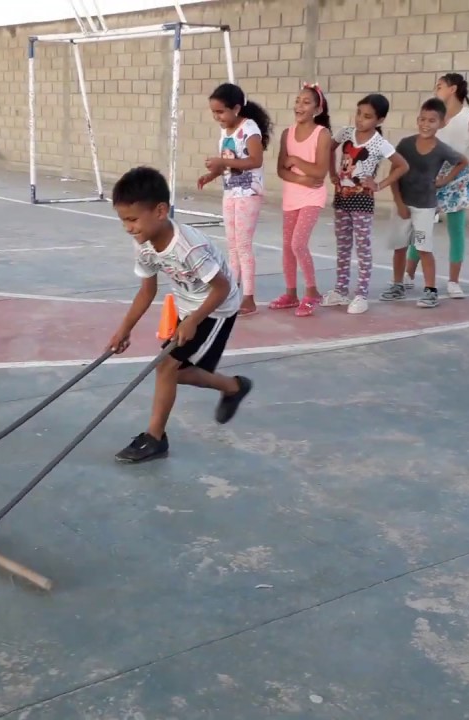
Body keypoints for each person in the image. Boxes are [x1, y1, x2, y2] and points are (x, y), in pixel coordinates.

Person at [108, 166, 253, 464]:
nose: (128, 228)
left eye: (133, 219)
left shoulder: (189, 247)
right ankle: (233, 386)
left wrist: (194, 319)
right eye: (123, 221)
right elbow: (147, 291)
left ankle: (155, 438)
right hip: (190, 305)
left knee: (165, 368)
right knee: (176, 372)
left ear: (160, 211)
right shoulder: (144, 245)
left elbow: (223, 288)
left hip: (217, 309)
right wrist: (124, 329)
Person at [322, 93, 408, 315]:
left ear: (379, 120)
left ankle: (361, 293)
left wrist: (379, 185)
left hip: (362, 201)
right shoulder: (346, 133)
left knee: (362, 248)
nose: (360, 119)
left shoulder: (380, 143)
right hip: (342, 198)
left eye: (367, 116)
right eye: (359, 113)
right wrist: (332, 173)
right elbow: (328, 149)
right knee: (342, 246)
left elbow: (402, 166)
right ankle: (340, 290)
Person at [380, 99, 468, 309]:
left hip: (425, 208)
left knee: (423, 247)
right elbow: (394, 175)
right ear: (417, 120)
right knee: (399, 247)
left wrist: (445, 180)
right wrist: (399, 203)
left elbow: (463, 161)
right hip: (403, 206)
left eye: (432, 120)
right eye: (422, 119)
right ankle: (398, 285)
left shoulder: (442, 149)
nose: (426, 124)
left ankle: (431, 290)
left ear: (442, 123)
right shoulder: (405, 145)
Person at [405, 72, 469, 299]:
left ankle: (453, 281)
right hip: (431, 176)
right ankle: (408, 275)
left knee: (456, 229)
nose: (436, 89)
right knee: (421, 226)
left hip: (458, 177)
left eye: (439, 86)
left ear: (452, 89)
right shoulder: (435, 116)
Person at [197, 82, 273, 316]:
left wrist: (223, 163)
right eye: (214, 112)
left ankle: (249, 298)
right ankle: (232, 293)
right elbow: (227, 161)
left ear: (236, 108)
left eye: (221, 112)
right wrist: (212, 174)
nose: (217, 117)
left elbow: (254, 161)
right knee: (232, 246)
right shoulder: (226, 132)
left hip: (248, 193)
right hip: (231, 191)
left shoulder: (249, 129)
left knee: (243, 245)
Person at [270, 82, 333, 317]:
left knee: (298, 244)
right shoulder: (287, 133)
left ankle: (312, 291)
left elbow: (319, 172)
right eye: (297, 101)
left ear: (317, 109)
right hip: (292, 196)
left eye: (306, 102)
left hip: (312, 197)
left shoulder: (322, 134)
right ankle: (290, 293)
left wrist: (295, 161)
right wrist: (301, 178)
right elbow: (281, 170)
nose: (299, 106)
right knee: (287, 247)